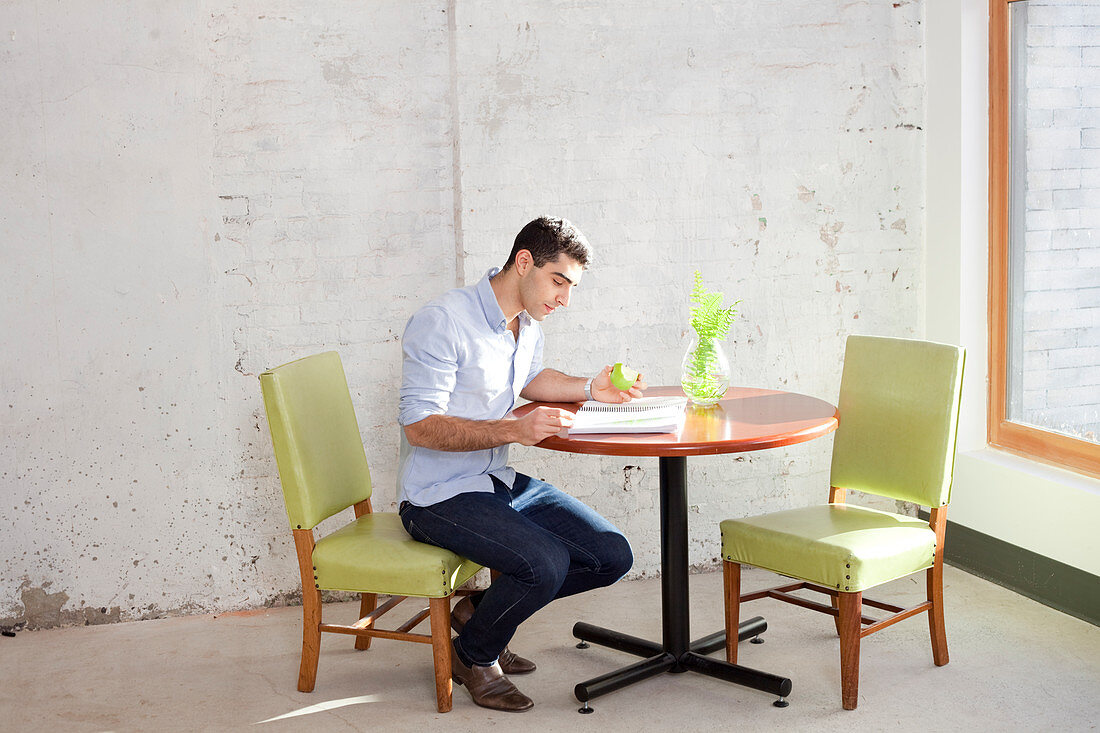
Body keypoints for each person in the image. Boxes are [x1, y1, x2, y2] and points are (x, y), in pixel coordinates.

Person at [396, 216, 645, 712]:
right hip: (437, 495)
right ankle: (472, 657)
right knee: (544, 564)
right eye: (558, 281)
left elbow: (528, 378)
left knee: (610, 555)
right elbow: (419, 425)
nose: (563, 299)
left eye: (571, 287)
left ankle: (476, 617)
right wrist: (513, 429)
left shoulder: (526, 323)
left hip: (496, 480)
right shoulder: (443, 320)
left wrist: (590, 390)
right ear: (524, 262)